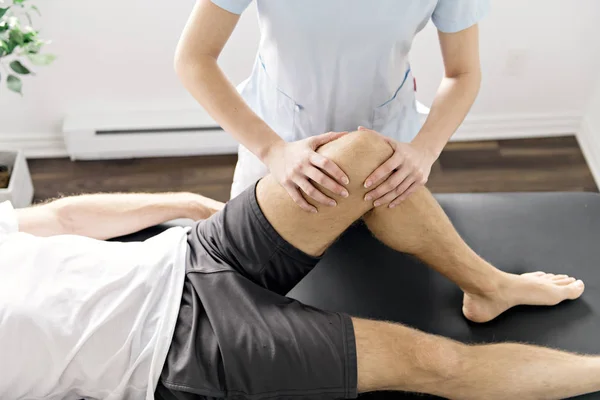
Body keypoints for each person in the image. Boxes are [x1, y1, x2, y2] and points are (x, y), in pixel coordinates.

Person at [0, 130, 595, 400]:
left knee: (359, 154)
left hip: (188, 252)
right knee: (431, 361)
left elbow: (60, 220)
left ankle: (490, 287)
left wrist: (179, 203)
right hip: (175, 348)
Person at [175, 0, 487, 211]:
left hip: (386, 161)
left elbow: (463, 72)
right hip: (277, 143)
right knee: (252, 284)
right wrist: (273, 150)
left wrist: (425, 150)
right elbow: (194, 58)